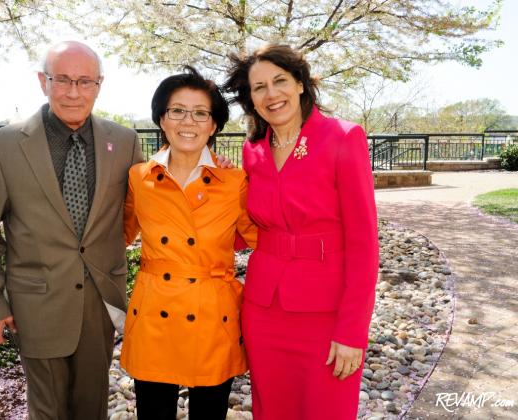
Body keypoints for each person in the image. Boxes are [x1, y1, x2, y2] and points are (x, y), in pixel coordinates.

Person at [0, 41, 143, 419]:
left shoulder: (125, 142)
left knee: (91, 407)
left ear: (99, 85)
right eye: (62, 79)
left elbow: (143, 206)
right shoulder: (2, 146)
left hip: (100, 303)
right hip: (36, 304)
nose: (74, 92)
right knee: (47, 409)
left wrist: (212, 166)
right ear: (42, 81)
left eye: (85, 81)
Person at [223, 44, 379, 419]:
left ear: (300, 84)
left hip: (326, 314)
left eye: (280, 81)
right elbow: (247, 228)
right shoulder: (253, 150)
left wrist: (352, 332)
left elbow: (364, 244)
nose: (271, 94)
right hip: (264, 311)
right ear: (251, 99)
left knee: (327, 409)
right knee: (271, 409)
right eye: (259, 87)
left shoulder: (343, 137)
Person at [120, 66, 258, 420]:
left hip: (213, 314)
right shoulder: (139, 177)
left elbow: (264, 238)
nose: (189, 121)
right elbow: (115, 236)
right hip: (155, 312)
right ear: (161, 119)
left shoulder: (235, 181)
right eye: (177, 111)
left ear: (213, 125)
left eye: (201, 113)